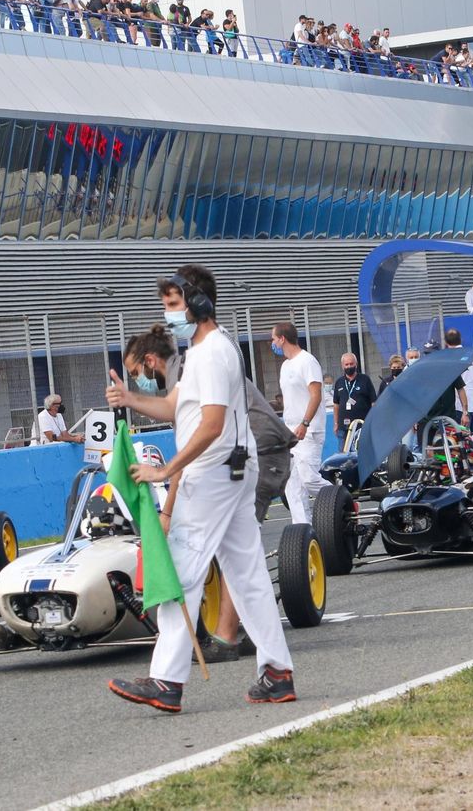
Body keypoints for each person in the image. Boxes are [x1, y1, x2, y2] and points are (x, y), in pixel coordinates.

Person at [103, 264, 295, 712]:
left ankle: (166, 680)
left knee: (181, 572)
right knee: (247, 577)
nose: (167, 314)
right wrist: (132, 400)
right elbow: (176, 407)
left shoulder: (210, 354)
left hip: (211, 473)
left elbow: (208, 426)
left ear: (198, 303)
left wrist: (165, 470)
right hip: (230, 472)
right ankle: (277, 671)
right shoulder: (206, 349)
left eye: (172, 305)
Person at [272, 322, 326, 526]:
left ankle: (341, 500)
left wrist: (305, 423)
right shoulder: (285, 366)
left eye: (273, 339)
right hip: (290, 432)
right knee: (292, 484)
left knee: (309, 478)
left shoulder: (307, 361)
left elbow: (316, 396)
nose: (272, 343)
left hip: (309, 431)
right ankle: (303, 528)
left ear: (282, 339)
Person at [446, 329, 473, 441]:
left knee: (464, 445)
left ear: (446, 343)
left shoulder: (450, 358)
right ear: (460, 339)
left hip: (461, 407)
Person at [331, 352, 376, 440]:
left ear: (356, 364)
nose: (349, 366)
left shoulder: (365, 379)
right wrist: (336, 423)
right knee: (343, 452)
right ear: (342, 366)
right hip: (343, 428)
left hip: (362, 426)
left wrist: (372, 422)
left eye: (351, 364)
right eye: (346, 364)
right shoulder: (339, 382)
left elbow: (373, 402)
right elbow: (336, 405)